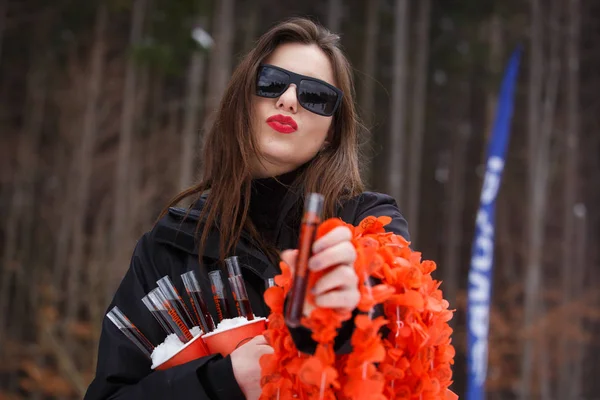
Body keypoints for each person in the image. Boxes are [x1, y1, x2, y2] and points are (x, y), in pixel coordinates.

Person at [84, 17, 409, 400]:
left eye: (316, 96)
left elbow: (401, 335)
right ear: (242, 100)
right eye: (271, 82)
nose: (288, 100)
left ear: (331, 134)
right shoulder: (166, 248)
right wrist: (221, 381)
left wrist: (349, 314)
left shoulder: (366, 222)